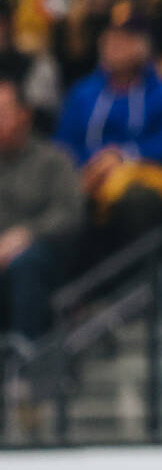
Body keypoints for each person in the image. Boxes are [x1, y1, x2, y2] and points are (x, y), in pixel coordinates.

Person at [54, 2, 162, 243]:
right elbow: (63, 142)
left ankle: (141, 273)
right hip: (89, 178)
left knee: (135, 202)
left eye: (125, 41)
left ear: (143, 46)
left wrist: (125, 155)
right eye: (111, 40)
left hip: (145, 177)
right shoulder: (84, 92)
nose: (115, 47)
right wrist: (92, 165)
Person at [0, 78, 85, 344]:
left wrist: (26, 234)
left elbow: (70, 213)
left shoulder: (54, 159)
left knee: (27, 263)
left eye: (2, 112)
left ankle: (25, 361)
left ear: (25, 114)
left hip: (42, 255)